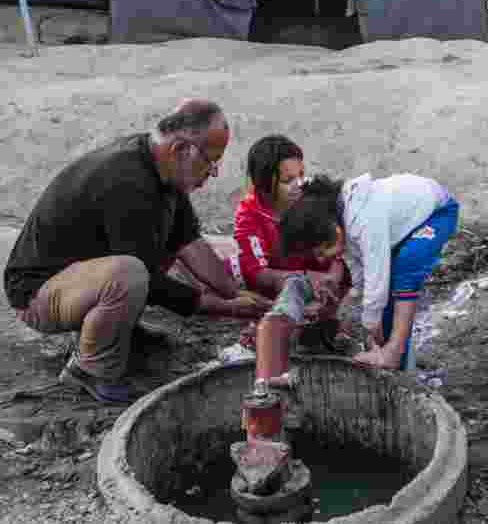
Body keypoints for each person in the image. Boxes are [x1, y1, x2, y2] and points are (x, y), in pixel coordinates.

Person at [3, 100, 273, 404]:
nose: (214, 173)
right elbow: (150, 282)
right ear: (181, 149)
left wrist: (232, 292)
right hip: (37, 293)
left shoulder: (162, 168)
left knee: (149, 260)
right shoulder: (127, 181)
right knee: (131, 274)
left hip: (80, 280)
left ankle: (115, 333)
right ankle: (91, 368)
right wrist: (226, 308)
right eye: (212, 161)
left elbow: (190, 243)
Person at [278, 173, 459, 370]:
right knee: (386, 299)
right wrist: (356, 316)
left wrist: (371, 324)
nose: (321, 259)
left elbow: (376, 278)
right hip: (407, 225)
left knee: (406, 266)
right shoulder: (341, 221)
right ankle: (402, 362)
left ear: (333, 231)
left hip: (438, 212)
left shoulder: (363, 219)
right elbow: (361, 277)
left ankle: (394, 353)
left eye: (321, 252)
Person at [229, 135, 350, 342]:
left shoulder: (310, 201)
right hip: (281, 286)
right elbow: (257, 272)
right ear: (263, 184)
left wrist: (330, 281)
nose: (298, 184)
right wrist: (297, 281)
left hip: (322, 285)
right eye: (287, 180)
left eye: (301, 175)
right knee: (236, 268)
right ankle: (278, 321)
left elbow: (337, 254)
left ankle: (326, 321)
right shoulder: (249, 213)